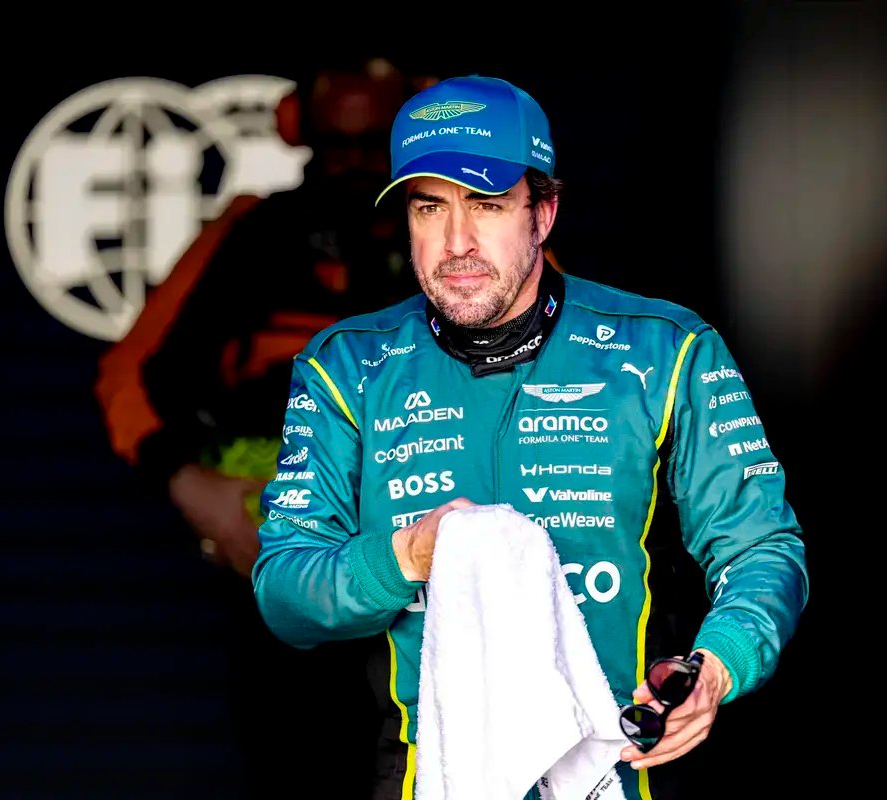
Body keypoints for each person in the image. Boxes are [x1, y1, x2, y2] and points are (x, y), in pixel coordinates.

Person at [251, 74, 809, 799]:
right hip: (423, 770)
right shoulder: (346, 367)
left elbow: (760, 546)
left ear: (543, 212)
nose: (456, 242)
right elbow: (284, 592)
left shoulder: (665, 351)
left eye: (486, 204)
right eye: (429, 207)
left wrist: (719, 665)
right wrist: (406, 556)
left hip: (626, 762)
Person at [93, 57, 427, 798]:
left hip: (438, 578)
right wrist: (190, 484)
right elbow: (128, 376)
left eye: (373, 144)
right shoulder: (252, 232)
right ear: (298, 131)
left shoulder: (469, 229)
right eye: (336, 146)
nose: (354, 165)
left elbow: (567, 369)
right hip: (287, 564)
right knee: (297, 767)